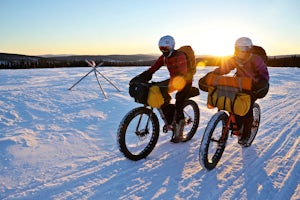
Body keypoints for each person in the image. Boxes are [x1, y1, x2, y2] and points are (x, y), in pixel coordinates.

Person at [130, 35, 193, 143]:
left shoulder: (180, 56)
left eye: (166, 48)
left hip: (185, 80)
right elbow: (152, 69)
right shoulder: (164, 58)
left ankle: (179, 128)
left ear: (172, 46)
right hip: (174, 79)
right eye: (161, 49)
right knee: (157, 90)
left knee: (179, 101)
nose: (163, 51)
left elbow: (183, 74)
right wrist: (140, 78)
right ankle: (170, 116)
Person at [210, 37, 269, 146]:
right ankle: (237, 124)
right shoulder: (235, 59)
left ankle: (246, 134)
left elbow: (263, 73)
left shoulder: (256, 59)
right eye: (239, 49)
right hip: (239, 84)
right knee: (231, 102)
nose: (242, 51)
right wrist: (213, 74)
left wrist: (261, 84)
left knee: (247, 109)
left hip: (253, 87)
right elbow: (225, 68)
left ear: (249, 49)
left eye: (244, 48)